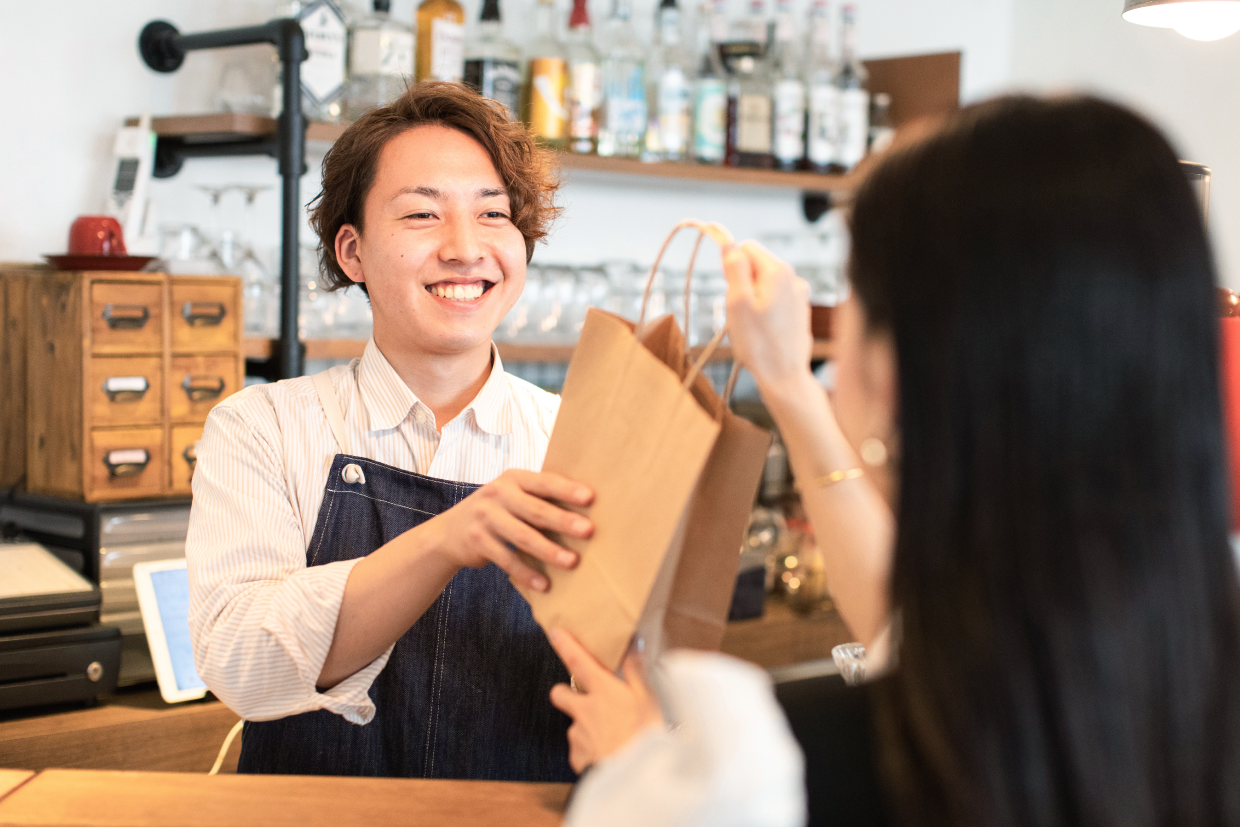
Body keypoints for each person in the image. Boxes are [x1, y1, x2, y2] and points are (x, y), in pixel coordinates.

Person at [548, 95, 1240, 826]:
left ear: (890, 370)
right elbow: (917, 628)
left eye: (854, 291)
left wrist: (641, 768)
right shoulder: (1179, 668)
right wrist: (786, 382)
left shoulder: (758, 775)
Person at [186, 82, 592, 781]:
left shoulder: (577, 439)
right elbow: (239, 664)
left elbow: (649, 689)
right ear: (353, 252)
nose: (466, 248)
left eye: (494, 214)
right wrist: (445, 539)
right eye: (423, 214)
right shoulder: (263, 426)